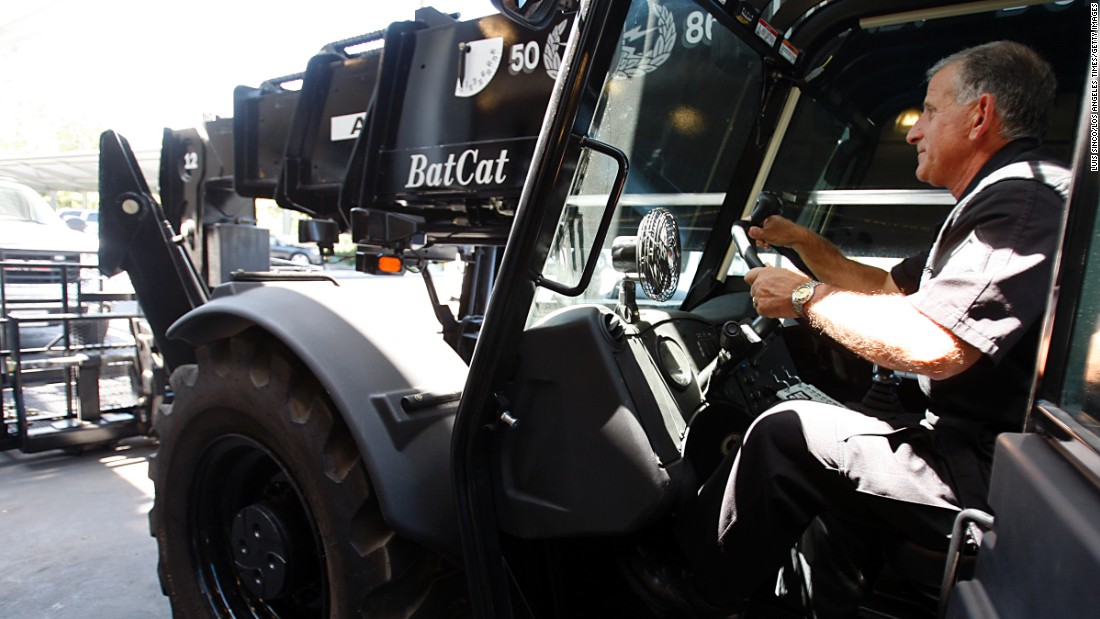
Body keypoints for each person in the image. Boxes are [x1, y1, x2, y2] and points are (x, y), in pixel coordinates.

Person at [689, 40, 1072, 616]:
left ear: (980, 115)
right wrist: (802, 243)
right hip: (978, 453)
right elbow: (886, 287)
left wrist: (801, 297)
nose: (915, 131)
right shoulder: (998, 199)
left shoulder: (1021, 206)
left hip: (985, 478)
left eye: (931, 111)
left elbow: (933, 343)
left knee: (784, 432)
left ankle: (698, 598)